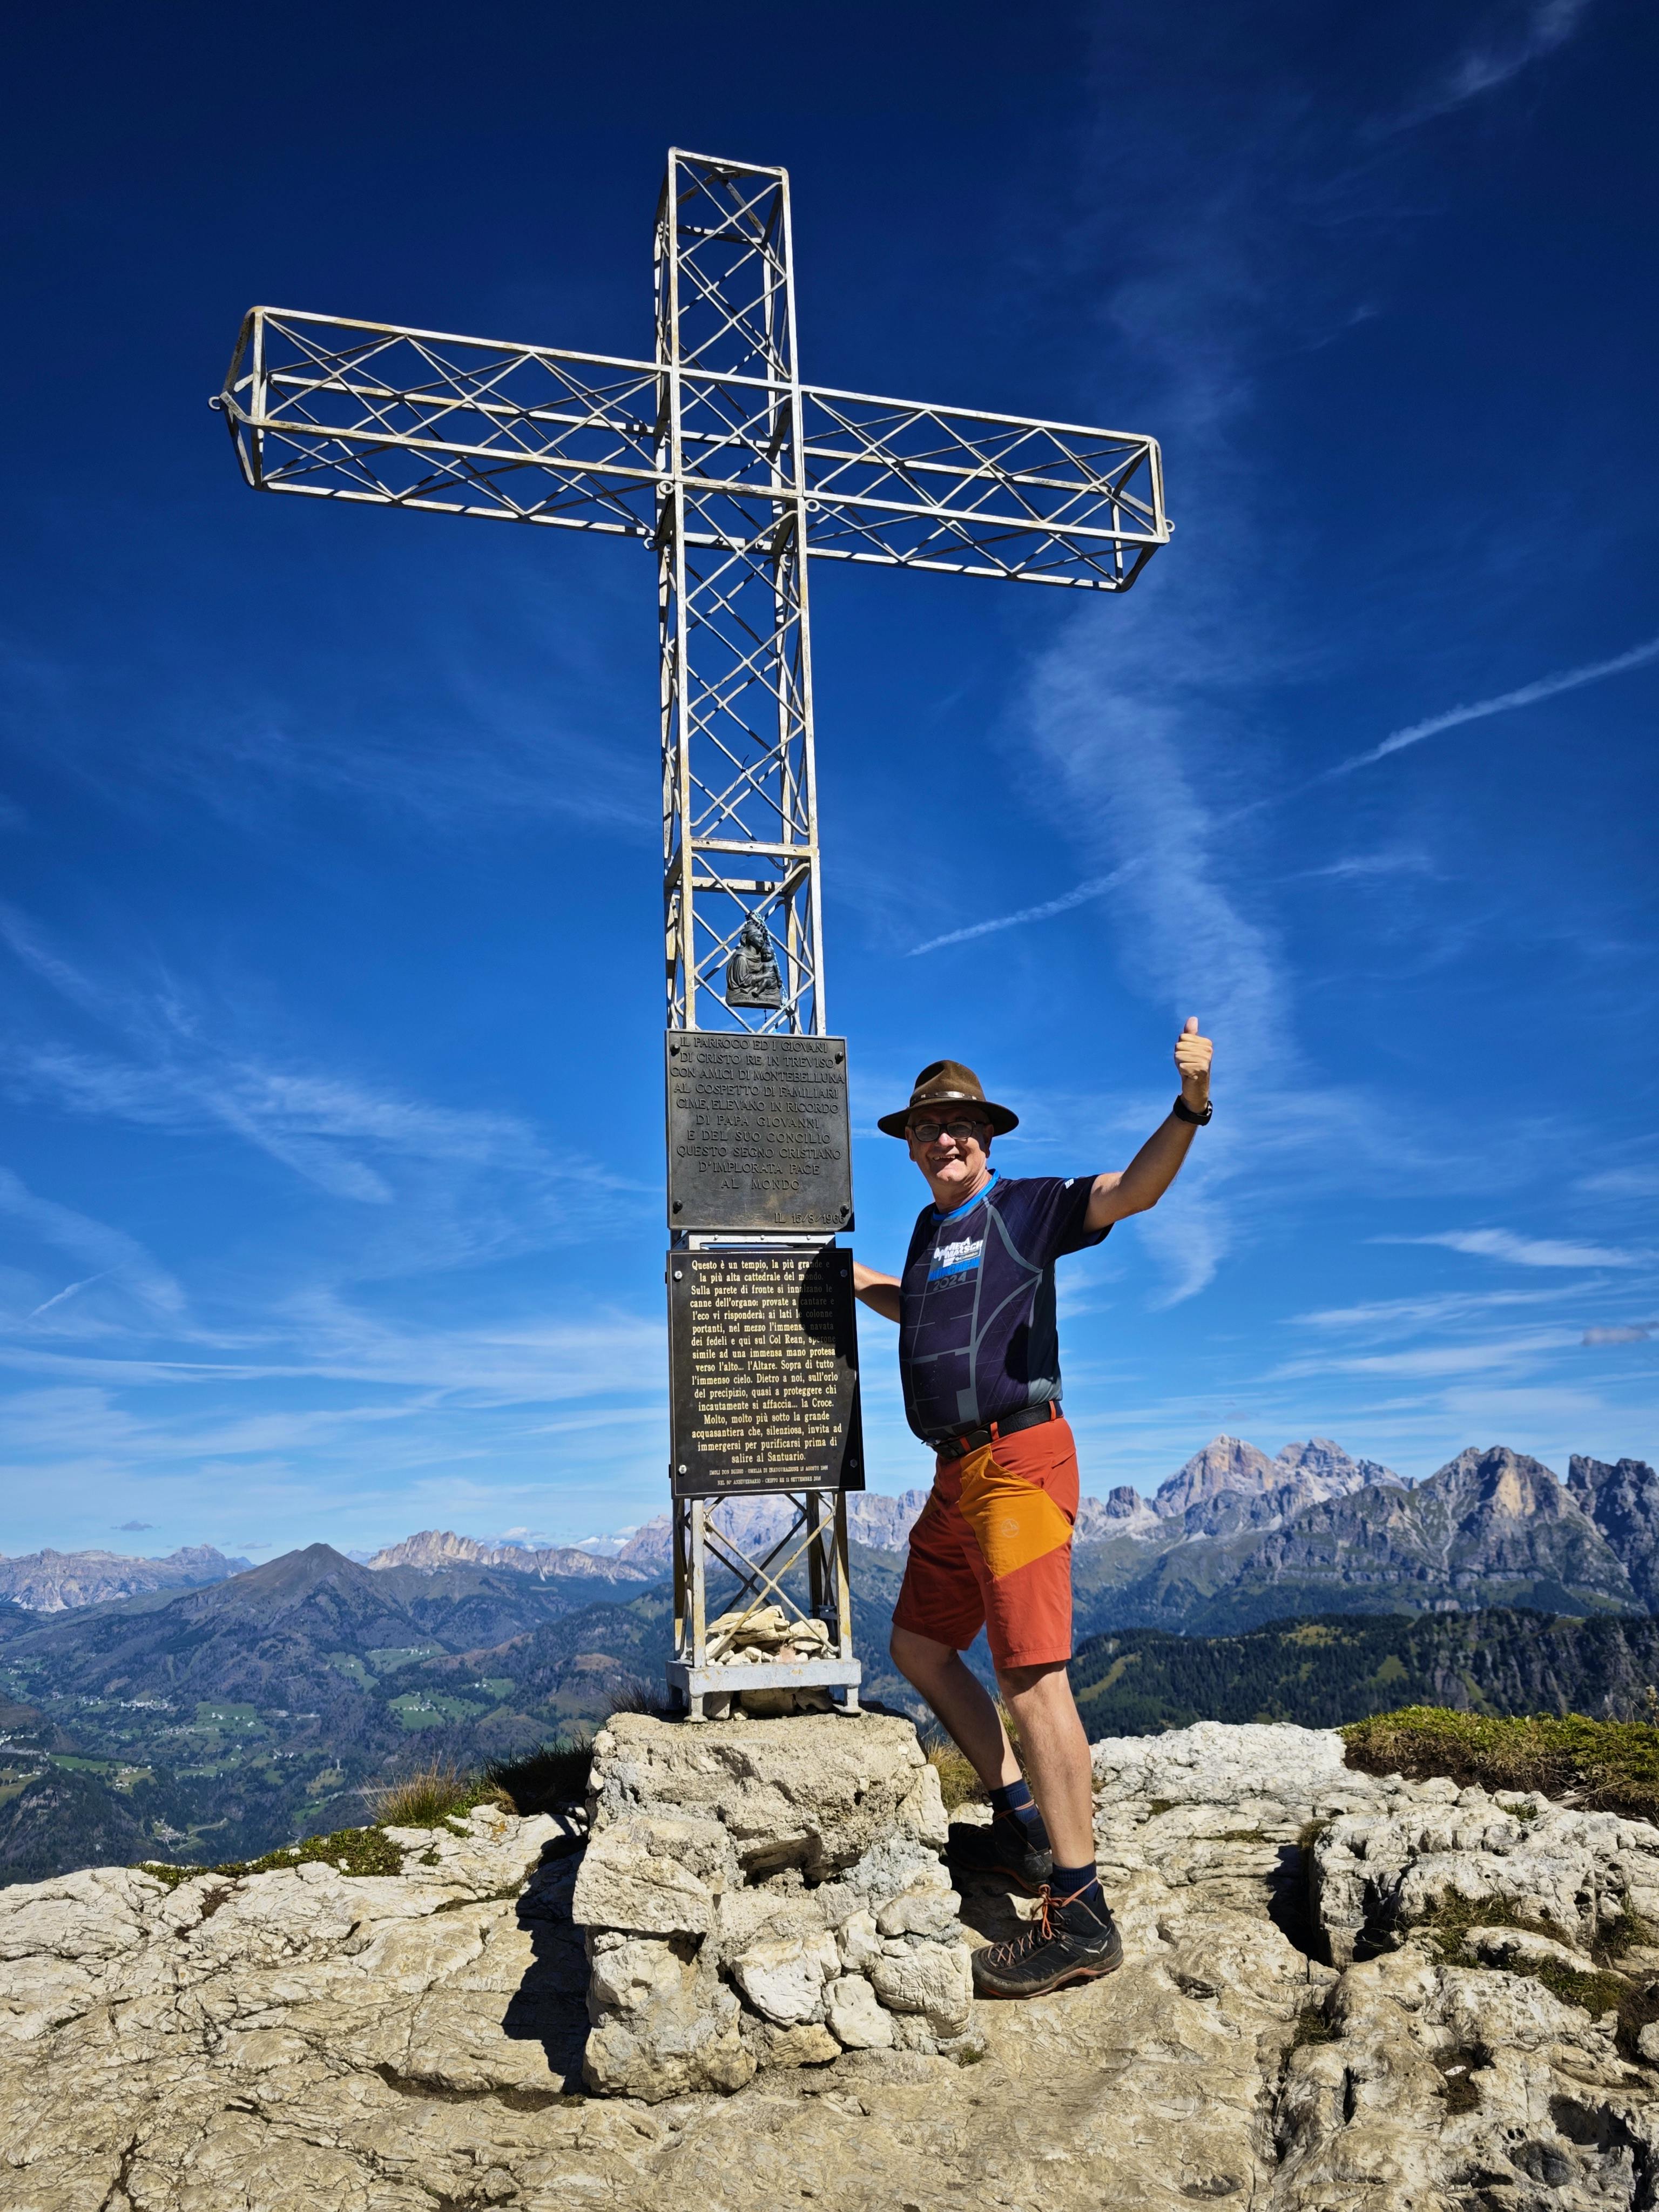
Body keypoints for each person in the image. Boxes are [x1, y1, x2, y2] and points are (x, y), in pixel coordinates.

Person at [851, 1022, 1215, 1998]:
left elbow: (1132, 1194)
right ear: (911, 1143)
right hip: (953, 1475)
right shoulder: (931, 1236)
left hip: (1020, 1462)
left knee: (1031, 1682)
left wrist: (1189, 1106)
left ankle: (1082, 1909)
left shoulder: (1024, 1207)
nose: (945, 1140)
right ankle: (1015, 1824)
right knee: (919, 1648)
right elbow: (924, 1308)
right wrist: (862, 1283)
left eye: (961, 1124)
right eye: (929, 1128)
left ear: (986, 1134)